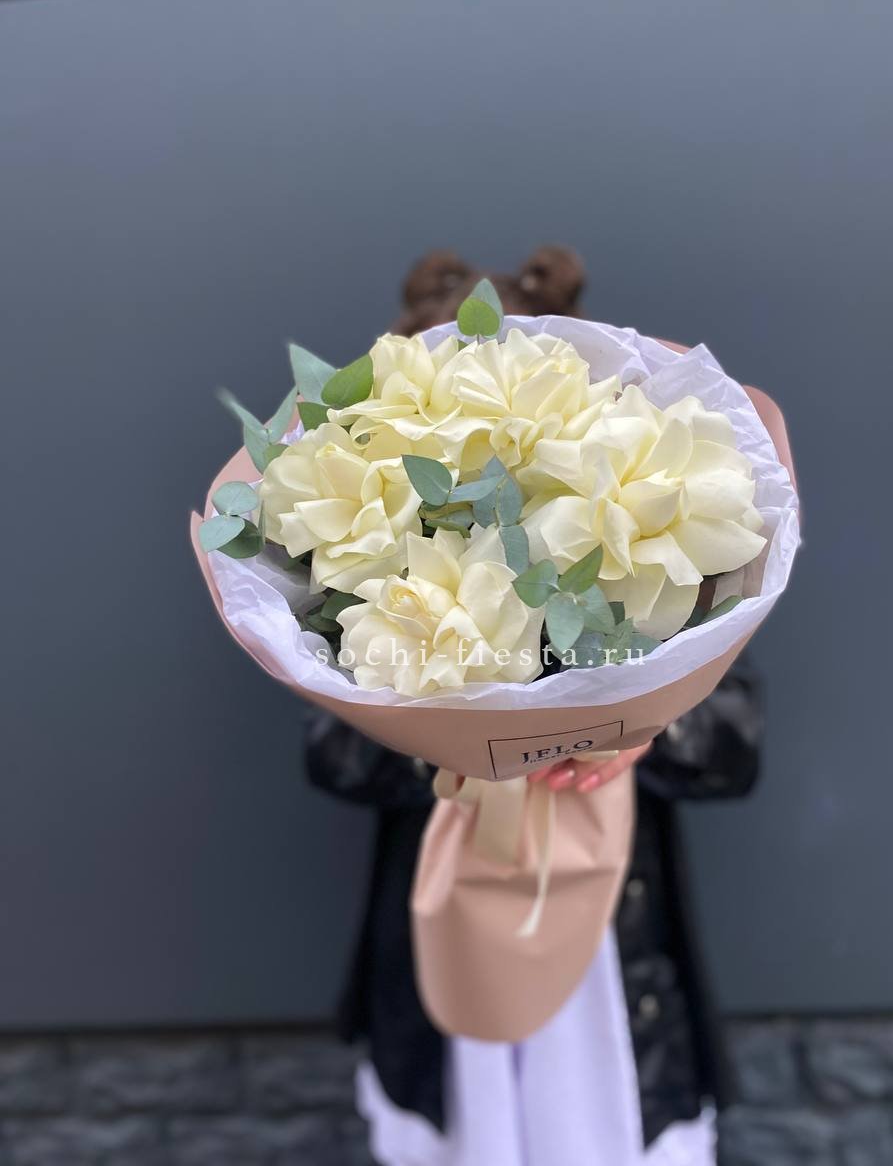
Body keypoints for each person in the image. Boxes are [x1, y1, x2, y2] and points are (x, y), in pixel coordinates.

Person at [305, 248, 763, 1165]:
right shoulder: (372, 568)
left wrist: (634, 727)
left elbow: (735, 748)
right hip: (449, 939)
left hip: (613, 947)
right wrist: (443, 731)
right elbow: (332, 754)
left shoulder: (649, 554)